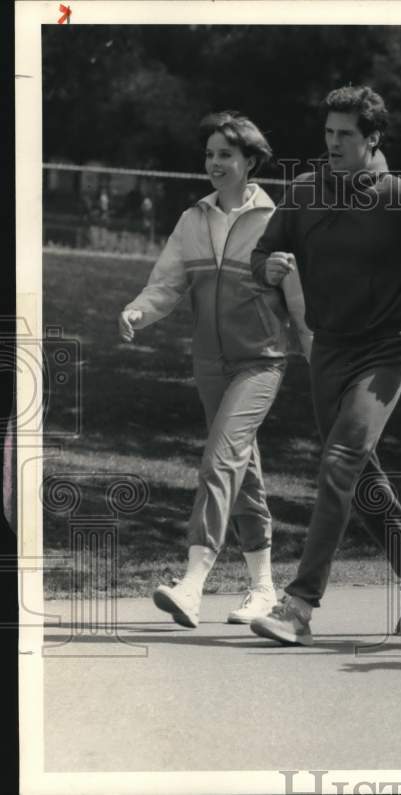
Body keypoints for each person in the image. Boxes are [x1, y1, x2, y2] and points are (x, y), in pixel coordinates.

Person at [248, 85, 401, 645]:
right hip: (325, 351)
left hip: (383, 353)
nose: (333, 143)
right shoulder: (305, 192)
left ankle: (300, 606)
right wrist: (271, 267)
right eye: (328, 132)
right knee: (358, 480)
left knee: (337, 465)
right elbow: (263, 255)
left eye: (346, 135)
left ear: (373, 138)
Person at [119, 111, 312, 628]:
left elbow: (300, 303)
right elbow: (167, 283)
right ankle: (263, 587)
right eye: (209, 155)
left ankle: (193, 582)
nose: (214, 163)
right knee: (241, 470)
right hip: (209, 361)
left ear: (251, 161)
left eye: (225, 154)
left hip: (261, 360)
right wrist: (140, 309)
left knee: (219, 460)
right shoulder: (193, 219)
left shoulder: (278, 219)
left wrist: (324, 358)